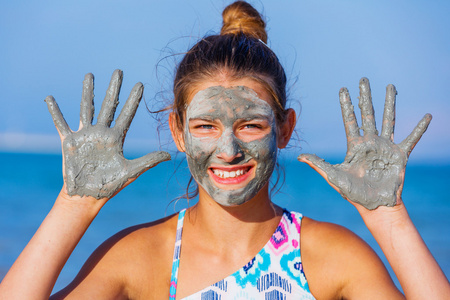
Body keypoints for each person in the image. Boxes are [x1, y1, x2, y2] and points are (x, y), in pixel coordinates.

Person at [0, 1, 449, 299]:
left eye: (251, 124)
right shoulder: (145, 258)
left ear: (285, 128)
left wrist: (389, 218)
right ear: (178, 131)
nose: (228, 149)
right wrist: (74, 205)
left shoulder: (330, 258)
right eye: (205, 125)